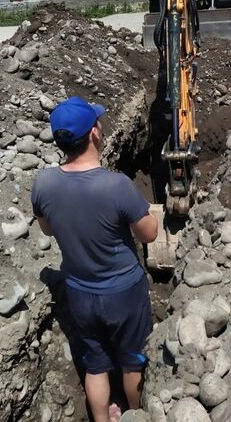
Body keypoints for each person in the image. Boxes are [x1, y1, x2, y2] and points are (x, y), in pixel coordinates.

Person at [31, 97, 158, 422]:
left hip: (80, 293)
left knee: (96, 364)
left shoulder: (44, 183)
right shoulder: (116, 186)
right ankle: (134, 414)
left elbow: (46, 230)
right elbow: (150, 234)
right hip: (124, 294)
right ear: (95, 134)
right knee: (132, 359)